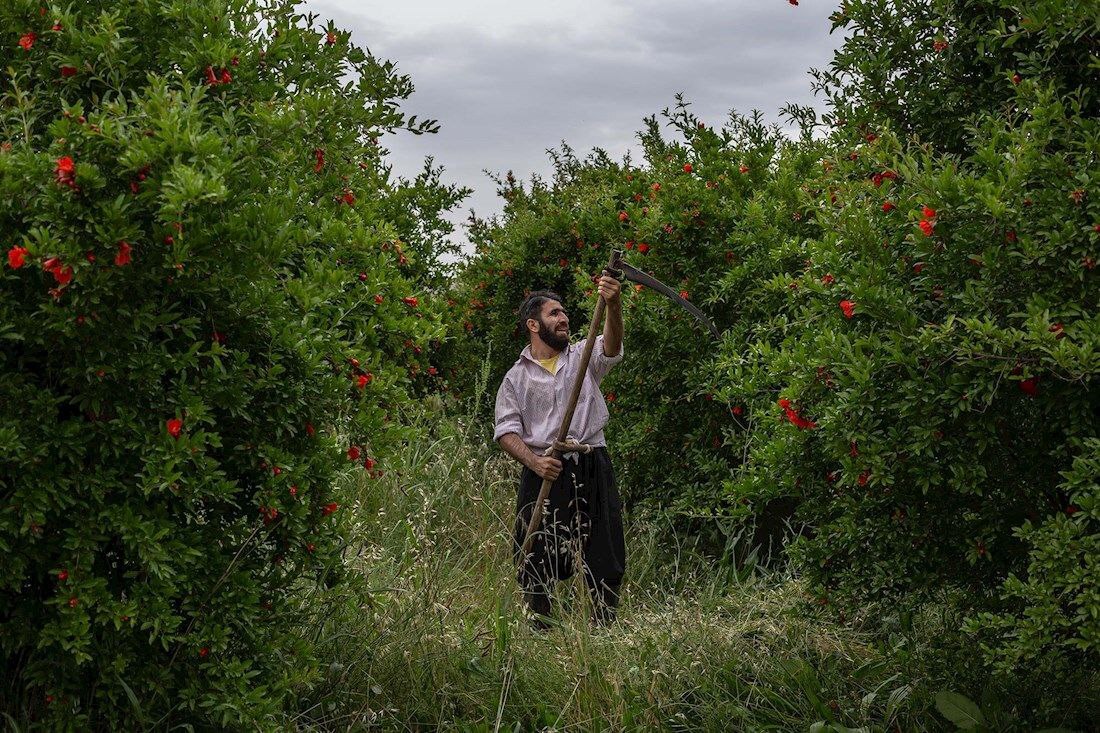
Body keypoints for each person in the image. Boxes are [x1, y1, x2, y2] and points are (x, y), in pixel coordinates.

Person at [493, 273, 625, 629]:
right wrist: (535, 462)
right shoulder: (515, 378)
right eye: (554, 314)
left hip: (591, 459)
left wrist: (612, 304)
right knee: (534, 549)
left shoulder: (583, 356)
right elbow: (506, 431)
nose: (564, 318)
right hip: (545, 467)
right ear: (533, 324)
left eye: (564, 313)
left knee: (604, 547)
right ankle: (542, 629)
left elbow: (611, 346)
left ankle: (602, 629)